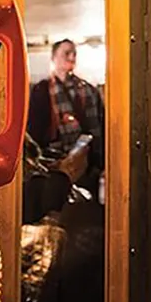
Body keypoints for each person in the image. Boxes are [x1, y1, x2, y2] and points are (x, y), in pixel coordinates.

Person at [27, 39, 105, 190]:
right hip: (55, 165)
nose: (71, 57)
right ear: (54, 58)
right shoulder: (41, 90)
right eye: (66, 53)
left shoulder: (89, 90)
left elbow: (101, 125)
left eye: (74, 53)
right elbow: (34, 129)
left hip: (88, 165)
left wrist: (99, 162)